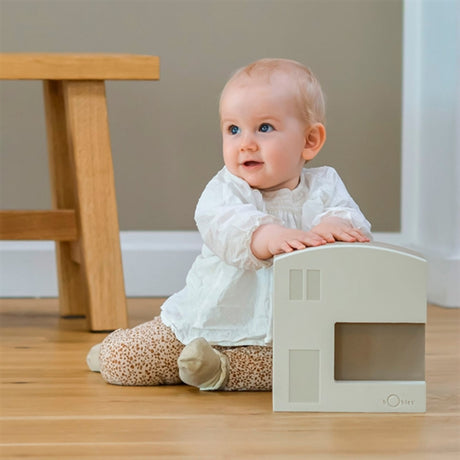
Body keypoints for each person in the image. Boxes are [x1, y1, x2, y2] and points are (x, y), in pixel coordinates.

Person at [86, 58, 371, 391]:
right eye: (233, 129)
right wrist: (267, 235)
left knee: (310, 367)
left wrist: (334, 225)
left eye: (264, 128)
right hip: (209, 319)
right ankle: (112, 352)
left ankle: (221, 371)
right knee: (127, 363)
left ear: (309, 140)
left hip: (283, 334)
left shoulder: (324, 186)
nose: (245, 143)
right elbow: (225, 224)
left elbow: (348, 217)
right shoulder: (227, 188)